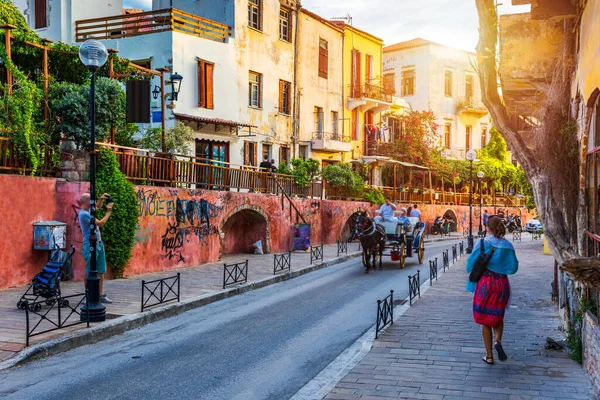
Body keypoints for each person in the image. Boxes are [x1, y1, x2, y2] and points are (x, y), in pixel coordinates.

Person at [466, 216, 518, 365]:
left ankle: (489, 356)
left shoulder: (482, 243)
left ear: (487, 227)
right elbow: (513, 268)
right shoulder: (508, 245)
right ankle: (498, 341)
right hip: (501, 284)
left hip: (485, 284)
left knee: (485, 320)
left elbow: (471, 263)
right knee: (498, 315)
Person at [78, 193, 114, 304]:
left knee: (101, 271)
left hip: (98, 243)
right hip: (90, 245)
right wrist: (108, 212)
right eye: (91, 200)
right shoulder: (84, 214)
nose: (93, 202)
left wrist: (101, 199)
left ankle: (100, 295)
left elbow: (97, 206)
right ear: (86, 202)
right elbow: (101, 223)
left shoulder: (89, 210)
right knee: (89, 271)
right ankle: (88, 295)